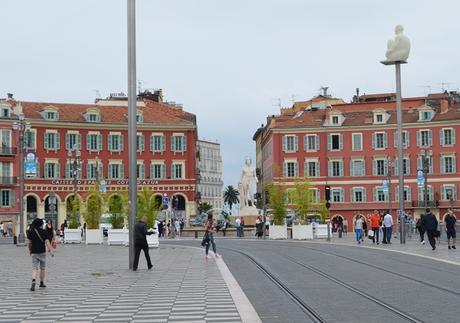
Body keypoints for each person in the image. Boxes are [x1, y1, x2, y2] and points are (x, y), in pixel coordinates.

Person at [27, 218, 54, 291]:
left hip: (34, 252)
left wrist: (30, 250)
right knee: (42, 268)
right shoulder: (43, 232)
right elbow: (47, 242)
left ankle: (33, 280)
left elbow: (29, 243)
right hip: (42, 252)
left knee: (34, 268)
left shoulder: (31, 232)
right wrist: (50, 250)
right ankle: (41, 282)